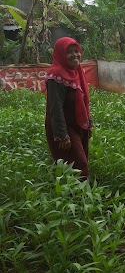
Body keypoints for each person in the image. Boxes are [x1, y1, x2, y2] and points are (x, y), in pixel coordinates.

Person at [45, 37, 92, 178]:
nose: (75, 55)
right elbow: (55, 107)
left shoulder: (78, 72)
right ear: (61, 54)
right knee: (79, 164)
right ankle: (81, 197)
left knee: (78, 162)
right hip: (65, 126)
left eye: (76, 51)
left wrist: (88, 123)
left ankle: (77, 194)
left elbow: (84, 100)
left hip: (78, 124)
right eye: (69, 52)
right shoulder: (56, 76)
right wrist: (61, 135)